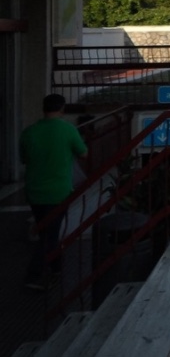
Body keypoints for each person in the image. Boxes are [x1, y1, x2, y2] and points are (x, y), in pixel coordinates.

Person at [19, 93, 88, 291]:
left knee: (47, 231)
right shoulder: (67, 130)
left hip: (34, 191)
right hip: (58, 192)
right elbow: (84, 154)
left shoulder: (29, 132)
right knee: (49, 235)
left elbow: (24, 159)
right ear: (62, 109)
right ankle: (33, 276)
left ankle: (56, 267)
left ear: (43, 108)